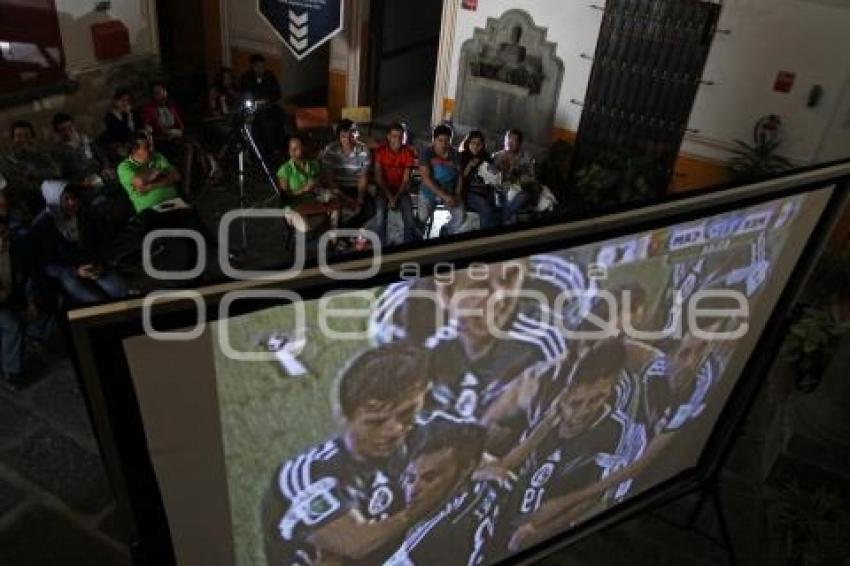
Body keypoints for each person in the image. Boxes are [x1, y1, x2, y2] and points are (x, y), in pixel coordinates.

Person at [263, 343, 438, 565]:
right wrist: (422, 507)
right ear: (345, 417)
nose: (394, 430)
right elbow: (355, 543)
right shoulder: (310, 473)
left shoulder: (418, 437)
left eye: (405, 414)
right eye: (375, 422)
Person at [474, 339, 642, 553]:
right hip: (495, 519)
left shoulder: (616, 431)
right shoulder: (549, 414)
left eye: (597, 399)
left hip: (530, 535)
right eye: (576, 403)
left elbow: (593, 498)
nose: (584, 411)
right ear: (564, 395)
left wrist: (542, 534)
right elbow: (508, 463)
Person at [385, 416, 498, 566]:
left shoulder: (426, 544)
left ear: (466, 468)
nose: (413, 491)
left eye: (429, 479)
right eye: (411, 478)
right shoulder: (487, 486)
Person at [31, 182, 128, 305]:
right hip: (67, 273)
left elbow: (101, 241)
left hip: (93, 265)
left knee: (120, 290)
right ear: (54, 201)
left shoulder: (85, 213)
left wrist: (101, 264)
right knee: (96, 302)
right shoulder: (42, 226)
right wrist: (75, 271)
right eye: (66, 199)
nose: (72, 202)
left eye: (74, 197)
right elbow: (46, 265)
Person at [141, 82, 219, 193]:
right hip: (162, 141)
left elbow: (180, 125)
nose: (160, 95)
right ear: (153, 95)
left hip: (176, 138)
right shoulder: (149, 109)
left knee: (192, 145)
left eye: (161, 91)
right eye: (156, 93)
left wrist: (178, 131)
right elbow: (149, 126)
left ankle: (198, 182)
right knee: (191, 146)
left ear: (166, 92)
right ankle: (194, 183)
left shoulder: (171, 107)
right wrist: (161, 132)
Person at [0, 218, 49, 391]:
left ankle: (35, 337)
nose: (1, 241)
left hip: (13, 296)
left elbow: (28, 276)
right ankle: (11, 373)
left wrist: (31, 302)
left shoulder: (17, 247)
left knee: (47, 300)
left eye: (3, 234)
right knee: (12, 326)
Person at [276, 134, 340, 235]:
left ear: (305, 148)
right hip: (296, 207)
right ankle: (324, 221)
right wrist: (304, 189)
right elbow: (285, 197)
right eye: (291, 148)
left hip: (314, 204)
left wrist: (322, 185)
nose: (293, 151)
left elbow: (323, 181)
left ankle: (333, 242)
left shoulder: (314, 165)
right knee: (305, 227)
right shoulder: (285, 170)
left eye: (297, 148)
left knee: (335, 210)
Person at [0, 120, 61, 218]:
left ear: (31, 137)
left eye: (27, 136)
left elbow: (56, 172)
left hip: (47, 197)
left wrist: (34, 174)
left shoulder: (40, 154)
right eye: (19, 136)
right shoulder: (7, 160)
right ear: (13, 138)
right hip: (24, 204)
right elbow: (15, 184)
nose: (23, 139)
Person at [321, 119, 373, 230]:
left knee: (370, 210)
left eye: (351, 136)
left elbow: (363, 178)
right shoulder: (330, 150)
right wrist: (348, 200)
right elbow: (330, 180)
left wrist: (359, 200)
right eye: (343, 136)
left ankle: (347, 230)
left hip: (355, 186)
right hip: (338, 188)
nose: (348, 140)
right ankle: (339, 234)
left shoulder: (364, 150)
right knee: (336, 210)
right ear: (338, 137)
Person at [373, 123, 418, 244]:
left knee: (409, 217)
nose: (397, 139)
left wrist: (396, 197)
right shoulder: (380, 151)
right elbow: (378, 178)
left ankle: (408, 244)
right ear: (388, 136)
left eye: (400, 136)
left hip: (401, 189)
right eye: (394, 136)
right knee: (380, 216)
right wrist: (390, 197)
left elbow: (405, 180)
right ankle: (381, 244)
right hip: (384, 188)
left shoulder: (408, 152)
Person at [240, 53, 290, 161]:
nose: (261, 69)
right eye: (258, 66)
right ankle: (271, 150)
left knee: (282, 114)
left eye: (263, 66)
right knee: (264, 121)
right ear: (252, 66)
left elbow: (277, 93)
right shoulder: (246, 78)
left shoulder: (269, 75)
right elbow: (244, 95)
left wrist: (267, 99)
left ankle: (285, 143)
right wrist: (256, 102)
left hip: (269, 105)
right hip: (254, 109)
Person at [418, 125, 465, 236]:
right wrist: (444, 196)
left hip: (450, 192)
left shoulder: (455, 155)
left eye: (447, 140)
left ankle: (446, 231)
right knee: (422, 217)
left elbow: (460, 176)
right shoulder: (426, 153)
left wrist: (457, 195)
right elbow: (426, 179)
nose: (444, 144)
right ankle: (418, 235)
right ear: (434, 140)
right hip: (428, 192)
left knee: (460, 216)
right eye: (440, 140)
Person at [50, 113, 116, 188]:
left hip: (100, 173)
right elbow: (62, 175)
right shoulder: (58, 151)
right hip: (83, 183)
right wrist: (79, 183)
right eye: (63, 130)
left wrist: (105, 168)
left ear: (74, 126)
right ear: (57, 132)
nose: (67, 132)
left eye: (69, 127)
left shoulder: (85, 139)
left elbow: (101, 155)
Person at [493, 129, 537, 225]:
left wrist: (517, 173)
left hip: (521, 188)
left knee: (523, 196)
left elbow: (532, 177)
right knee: (512, 216)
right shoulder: (497, 156)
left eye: (514, 140)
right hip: (504, 186)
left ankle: (502, 219)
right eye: (508, 138)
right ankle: (507, 219)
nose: (509, 142)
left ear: (520, 144)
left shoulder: (527, 157)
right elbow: (493, 177)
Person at [459, 130, 500, 230]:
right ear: (468, 143)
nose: (476, 146)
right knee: (486, 209)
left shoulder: (485, 156)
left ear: (482, 145)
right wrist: (469, 166)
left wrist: (493, 170)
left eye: (479, 144)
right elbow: (460, 179)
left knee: (495, 210)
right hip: (470, 193)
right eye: (473, 143)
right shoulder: (462, 156)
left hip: (486, 191)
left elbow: (493, 176)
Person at [100, 88, 138, 164]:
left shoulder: (125, 114)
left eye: (127, 100)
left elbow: (132, 130)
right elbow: (119, 133)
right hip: (115, 143)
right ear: (115, 101)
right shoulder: (110, 116)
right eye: (122, 100)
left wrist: (129, 115)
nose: (125, 103)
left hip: (126, 142)